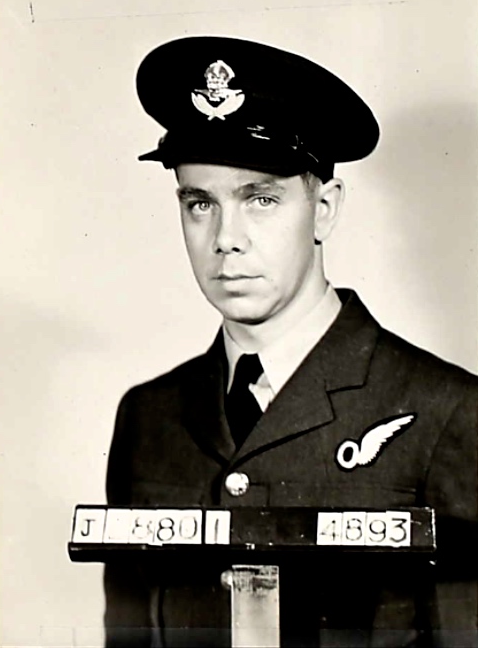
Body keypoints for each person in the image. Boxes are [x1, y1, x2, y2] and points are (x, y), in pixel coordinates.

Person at [104, 36, 477, 648]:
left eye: (261, 200)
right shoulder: (149, 418)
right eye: (200, 203)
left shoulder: (449, 413)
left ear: (324, 209)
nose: (226, 238)